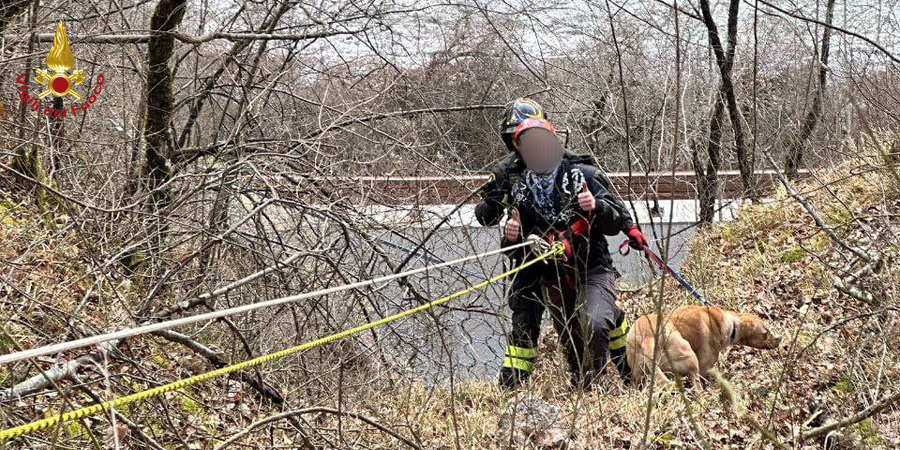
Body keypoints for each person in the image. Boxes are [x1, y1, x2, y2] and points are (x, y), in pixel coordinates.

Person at [476, 98, 648, 389]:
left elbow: (616, 213)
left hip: (586, 259)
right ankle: (515, 388)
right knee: (533, 322)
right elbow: (487, 219)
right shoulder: (508, 176)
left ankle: (628, 374)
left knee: (598, 320)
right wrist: (504, 222)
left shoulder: (579, 171)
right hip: (536, 264)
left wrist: (624, 226)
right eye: (518, 138)